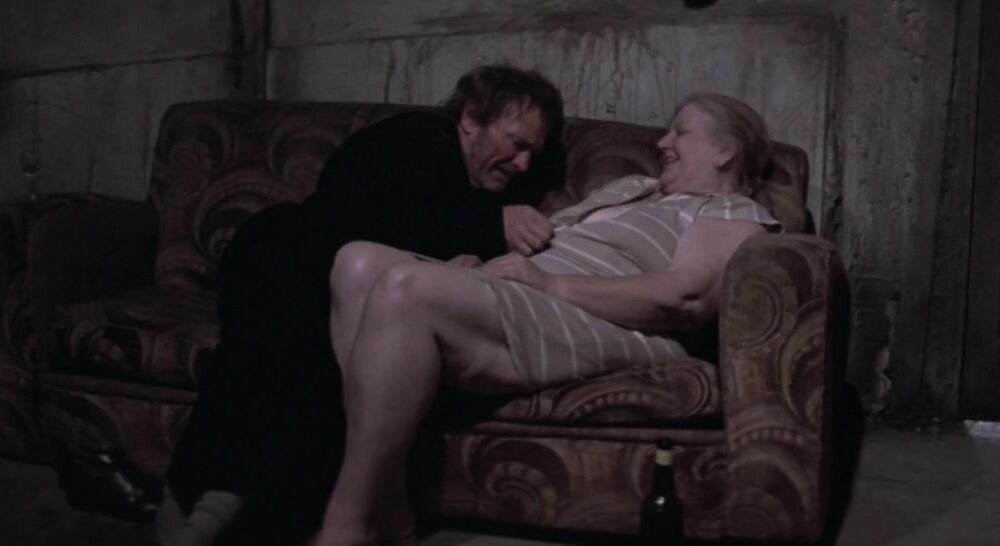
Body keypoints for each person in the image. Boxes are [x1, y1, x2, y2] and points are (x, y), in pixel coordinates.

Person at [309, 93, 782, 545]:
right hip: (528, 291)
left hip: (606, 317)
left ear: (724, 150)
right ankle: (391, 501)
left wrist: (551, 285)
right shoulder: (632, 189)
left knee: (405, 287)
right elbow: (543, 249)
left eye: (680, 132)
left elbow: (685, 298)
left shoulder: (731, 211)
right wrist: (475, 269)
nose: (662, 142)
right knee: (357, 263)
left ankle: (348, 523)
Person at [156, 64, 565, 546]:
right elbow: (358, 217)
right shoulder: (416, 137)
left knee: (323, 362)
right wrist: (489, 226)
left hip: (326, 280)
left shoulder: (496, 184)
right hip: (287, 253)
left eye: (533, 153)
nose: (523, 163)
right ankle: (211, 506)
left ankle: (200, 507)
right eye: (516, 143)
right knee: (297, 348)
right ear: (472, 118)